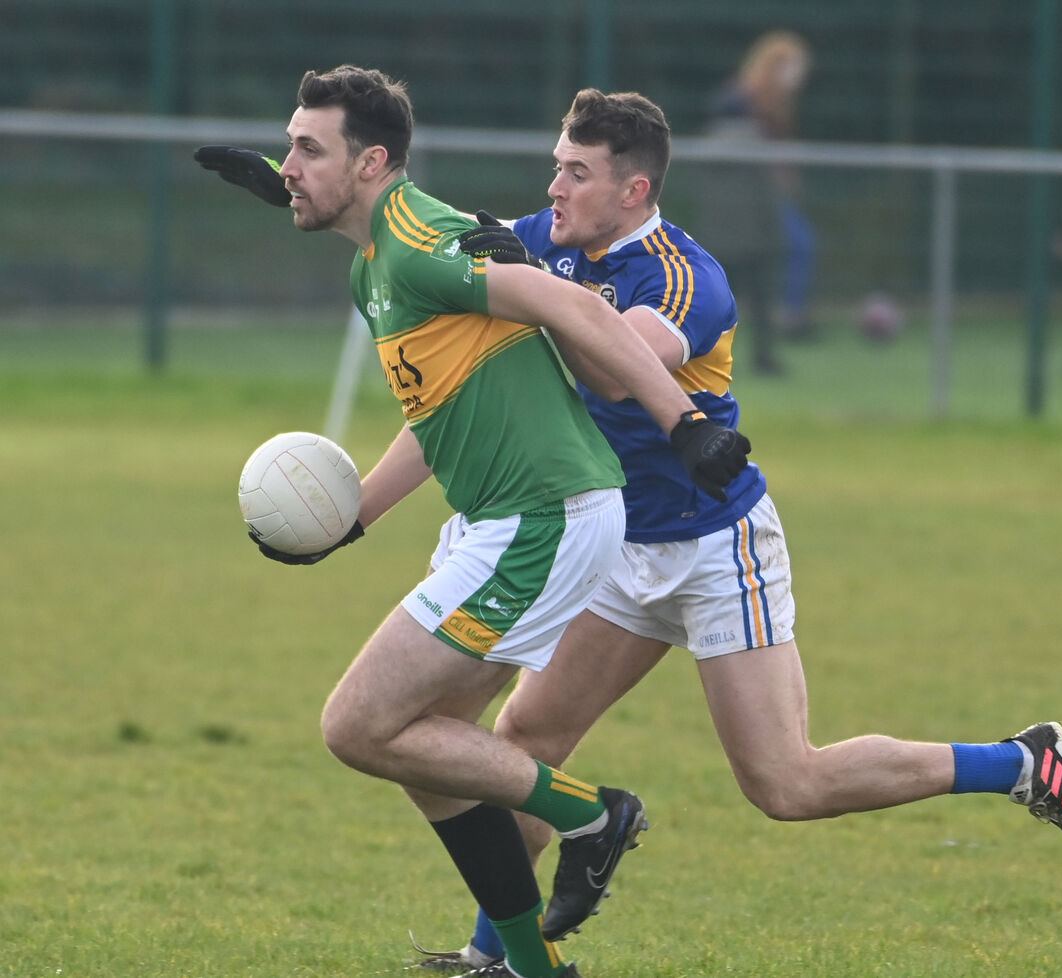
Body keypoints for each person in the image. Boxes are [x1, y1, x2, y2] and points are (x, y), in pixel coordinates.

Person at [198, 84, 1062, 977]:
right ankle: (508, 955)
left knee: (786, 784)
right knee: (516, 750)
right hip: (605, 544)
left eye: (578, 174)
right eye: (554, 168)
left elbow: (610, 361)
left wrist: (523, 303)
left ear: (633, 192)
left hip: (711, 545)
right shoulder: (535, 241)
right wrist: (309, 192)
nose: (553, 190)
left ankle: (1022, 763)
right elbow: (443, 345)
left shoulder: (683, 278)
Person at [194, 65, 751, 978]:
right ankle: (531, 968)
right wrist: (352, 519)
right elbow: (438, 413)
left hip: (544, 520)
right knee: (428, 759)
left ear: (371, 162)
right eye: (288, 146)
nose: (287, 164)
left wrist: (684, 425)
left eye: (307, 148)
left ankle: (596, 816)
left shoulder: (415, 244)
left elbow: (568, 303)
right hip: (505, 519)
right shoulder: (376, 263)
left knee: (357, 725)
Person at [695, 29, 818, 374]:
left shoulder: (777, 106)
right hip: (736, 206)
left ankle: (781, 328)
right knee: (730, 276)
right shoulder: (737, 100)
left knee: (781, 258)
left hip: (766, 201)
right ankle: (709, 349)